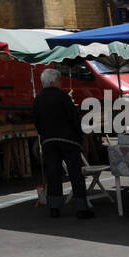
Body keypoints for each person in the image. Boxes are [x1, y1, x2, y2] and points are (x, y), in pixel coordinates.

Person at [32, 68, 93, 219]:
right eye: (60, 80)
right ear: (53, 82)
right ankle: (81, 208)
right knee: (75, 173)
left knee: (53, 174)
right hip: (68, 140)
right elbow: (73, 118)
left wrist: (44, 135)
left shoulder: (38, 99)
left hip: (49, 141)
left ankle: (54, 207)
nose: (61, 82)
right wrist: (79, 135)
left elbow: (37, 122)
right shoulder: (62, 97)